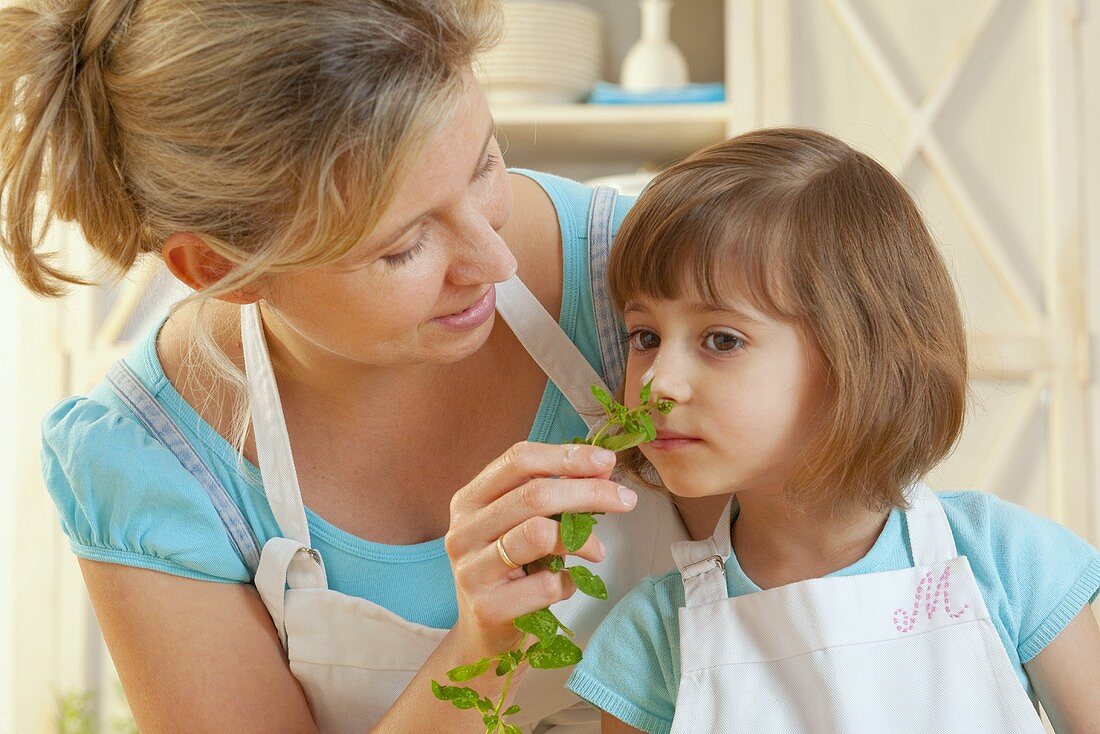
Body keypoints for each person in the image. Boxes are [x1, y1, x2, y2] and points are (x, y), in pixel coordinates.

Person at [0, 2, 717, 732]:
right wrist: (479, 650)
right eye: (403, 247)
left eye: (484, 165)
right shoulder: (154, 463)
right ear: (222, 266)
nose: (494, 263)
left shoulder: (656, 285)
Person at [564, 128, 1100, 733]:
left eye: (721, 340)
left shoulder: (1006, 563)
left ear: (858, 358)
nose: (660, 383)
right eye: (646, 338)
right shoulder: (653, 639)